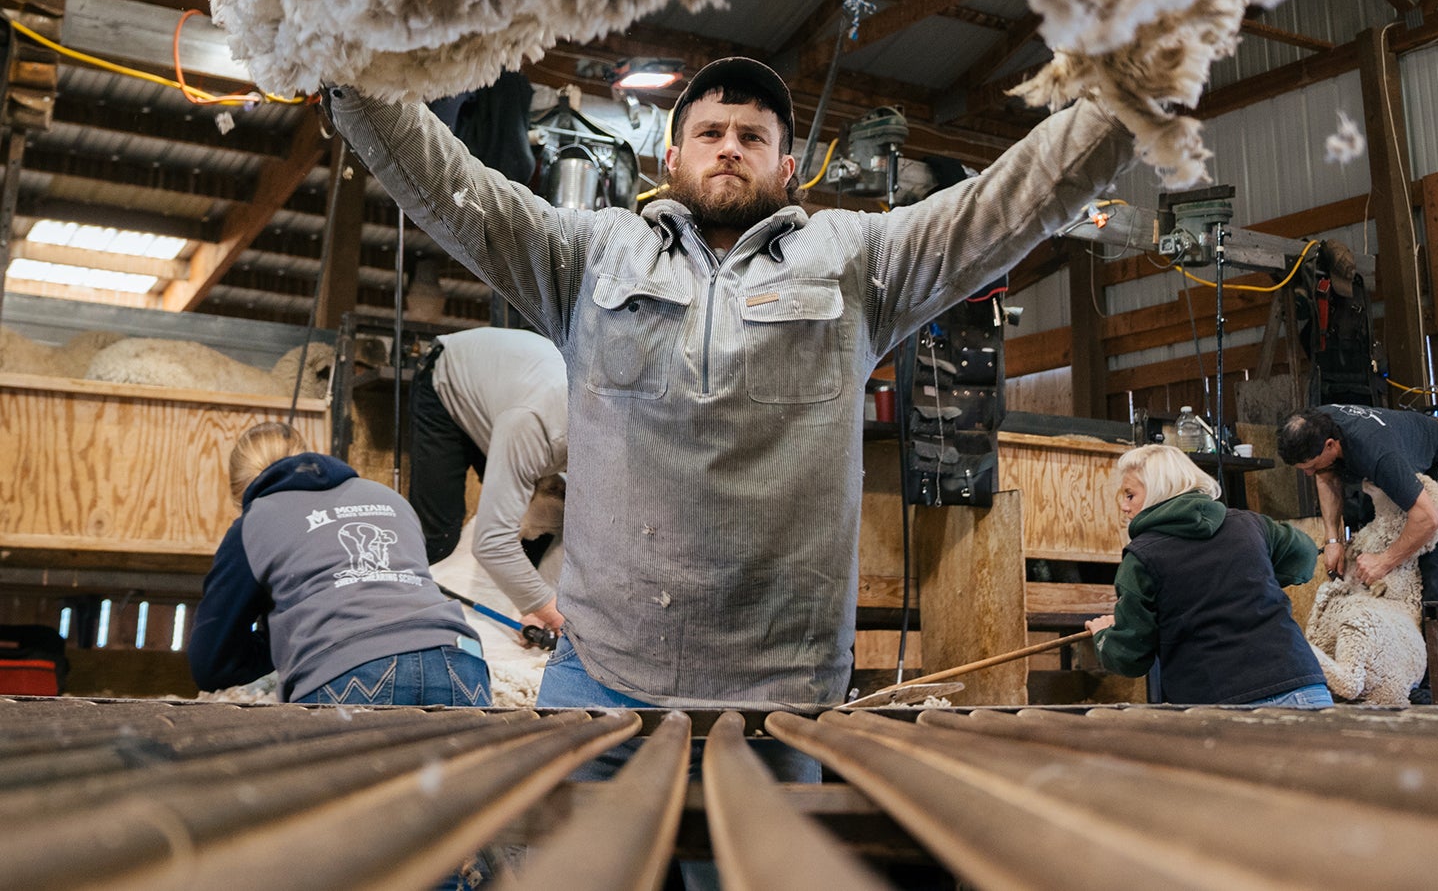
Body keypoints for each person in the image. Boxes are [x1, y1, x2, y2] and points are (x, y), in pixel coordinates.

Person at [326, 54, 1133, 712]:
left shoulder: (858, 260)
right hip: (602, 674)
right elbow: (451, 190)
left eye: (752, 134)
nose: (728, 146)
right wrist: (346, 72)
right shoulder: (590, 254)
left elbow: (1004, 207)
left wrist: (1132, 94)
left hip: (783, 689)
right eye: (708, 131)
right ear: (670, 158)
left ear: (787, 165)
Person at [189, 421, 491, 707]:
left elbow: (212, 663)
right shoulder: (391, 499)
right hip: (461, 662)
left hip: (351, 668)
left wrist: (282, 639)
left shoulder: (254, 520)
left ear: (242, 495)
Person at [1086, 443, 1330, 707]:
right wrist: (1249, 578)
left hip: (1224, 703)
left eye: (1130, 495)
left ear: (1158, 492)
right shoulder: (1250, 524)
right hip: (1302, 686)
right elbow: (1304, 554)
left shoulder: (1141, 558)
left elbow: (1130, 657)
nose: (1124, 506)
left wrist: (1105, 637)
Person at [409, 325, 568, 637]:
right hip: (448, 377)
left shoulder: (614, 441)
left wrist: (542, 604)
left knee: (549, 523)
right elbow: (492, 542)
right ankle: (418, 630)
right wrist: (557, 615)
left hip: (510, 396)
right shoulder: (535, 426)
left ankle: (531, 613)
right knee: (439, 537)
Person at [1277, 404, 1438, 603]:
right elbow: (1326, 476)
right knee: (1375, 537)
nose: (1309, 473)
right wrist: (1332, 540)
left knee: (1434, 561)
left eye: (1312, 466)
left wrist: (1383, 562)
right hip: (1388, 455)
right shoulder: (1315, 425)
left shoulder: (1378, 456)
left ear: (1330, 445)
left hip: (1437, 457)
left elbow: (1429, 518)